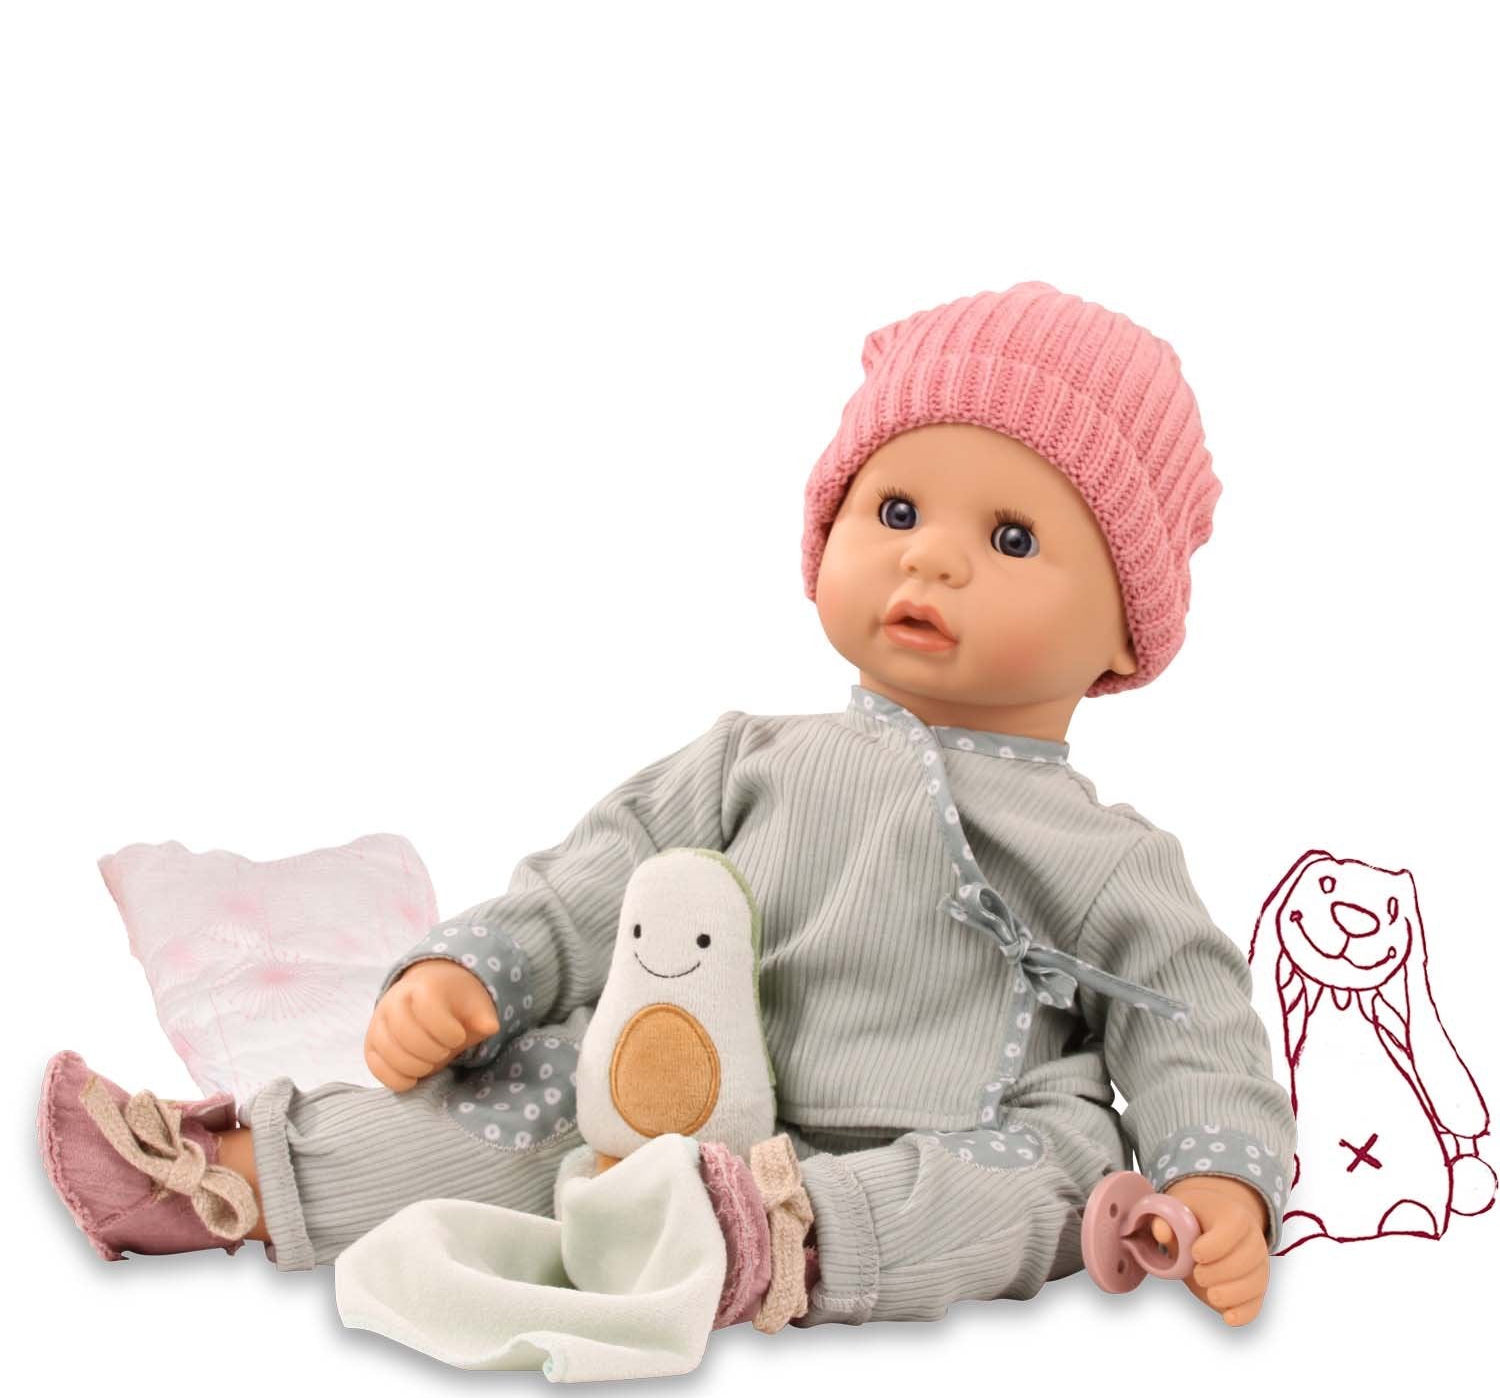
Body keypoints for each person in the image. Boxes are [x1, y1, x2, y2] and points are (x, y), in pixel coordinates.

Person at [39, 281, 1295, 1332]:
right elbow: (605, 870)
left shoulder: (1107, 854)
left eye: (1012, 538)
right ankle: (230, 1174)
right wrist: (482, 970)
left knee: (1049, 1173)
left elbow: (1194, 1025)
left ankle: (779, 1243)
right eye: (897, 511)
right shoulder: (752, 757)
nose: (931, 557)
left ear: (1125, 632)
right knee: (518, 1100)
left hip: (955, 1120)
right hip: (688, 1083)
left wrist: (1220, 1185)